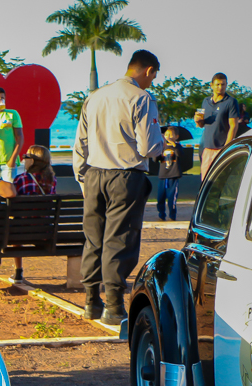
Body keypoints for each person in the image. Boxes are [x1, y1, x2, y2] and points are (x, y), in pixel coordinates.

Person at [73, 49, 163, 325]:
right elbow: (148, 147)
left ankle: (91, 301)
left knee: (94, 238)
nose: (151, 82)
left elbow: (81, 144)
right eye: (153, 77)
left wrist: (83, 179)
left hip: (94, 175)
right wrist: (162, 146)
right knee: (120, 239)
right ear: (148, 70)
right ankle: (113, 306)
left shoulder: (94, 96)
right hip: (125, 176)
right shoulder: (141, 98)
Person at [11, 145, 57, 281]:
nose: (23, 160)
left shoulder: (21, 179)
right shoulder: (52, 181)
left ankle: (18, 271)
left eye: (26, 157)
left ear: (32, 161)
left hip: (21, 232)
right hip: (45, 232)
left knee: (16, 224)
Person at [195, 73, 241, 181]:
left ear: (226, 85)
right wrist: (197, 120)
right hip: (207, 148)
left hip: (221, 148)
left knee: (219, 182)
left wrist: (226, 148)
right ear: (211, 85)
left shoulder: (231, 102)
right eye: (217, 84)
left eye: (223, 84)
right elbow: (201, 125)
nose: (220, 87)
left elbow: (233, 126)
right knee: (206, 182)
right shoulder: (206, 101)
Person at [157, 127, 182, 221]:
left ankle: (172, 215)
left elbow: (180, 154)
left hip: (173, 175)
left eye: (171, 135)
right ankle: (161, 214)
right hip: (163, 175)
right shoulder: (162, 147)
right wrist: (160, 148)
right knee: (160, 197)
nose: (168, 137)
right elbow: (156, 159)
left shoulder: (178, 146)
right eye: (166, 135)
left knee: (172, 198)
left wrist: (174, 145)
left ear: (176, 136)